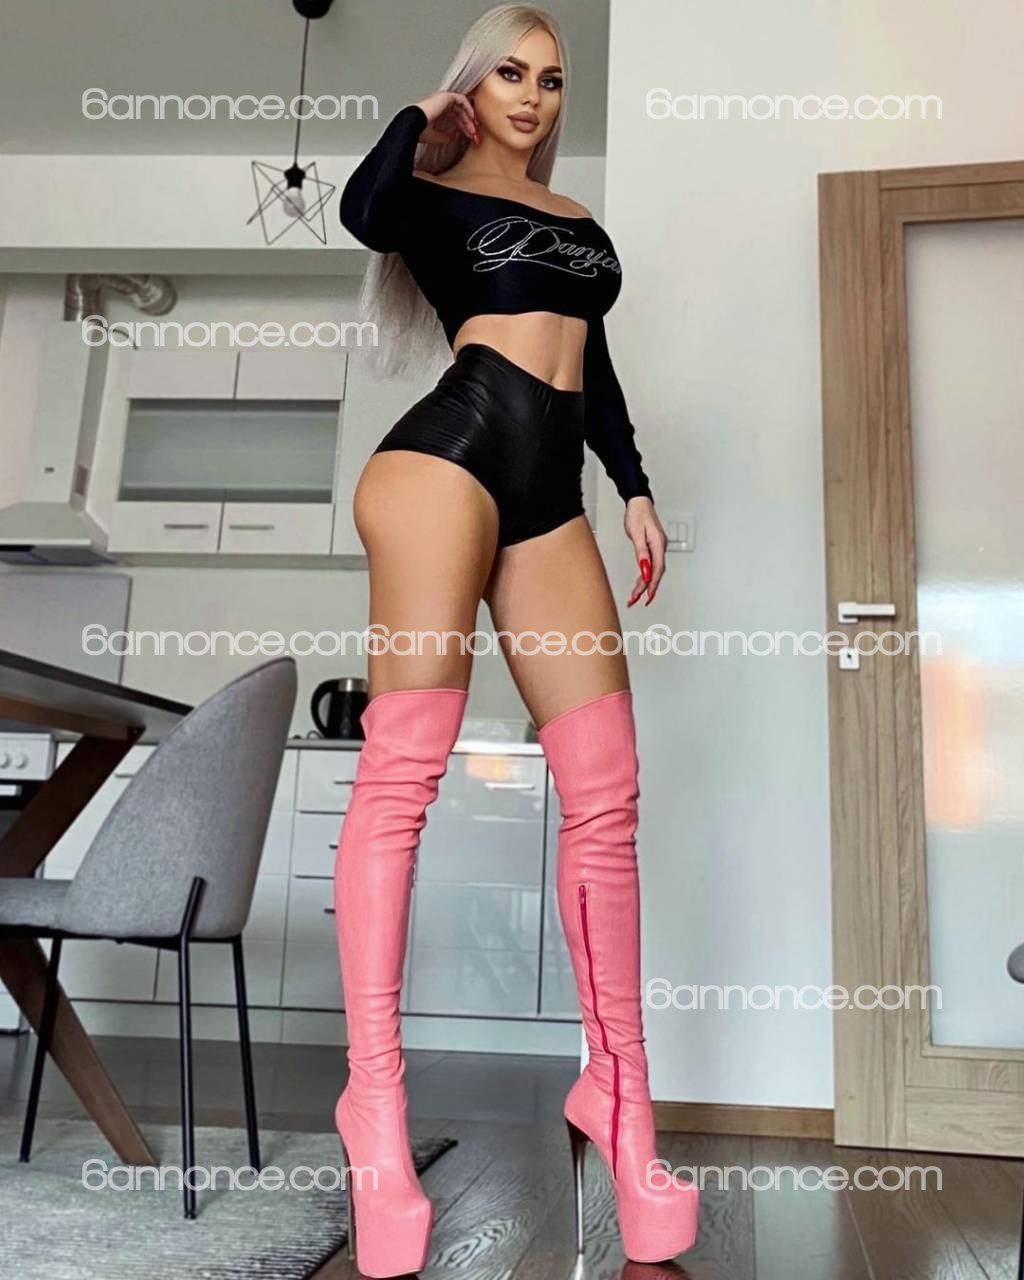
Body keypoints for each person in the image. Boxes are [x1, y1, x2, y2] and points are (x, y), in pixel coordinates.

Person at [331, 6, 698, 1276]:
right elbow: (363, 213)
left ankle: (621, 1092)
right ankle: (374, 1105)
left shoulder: (578, 219)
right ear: (472, 84)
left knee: (607, 790)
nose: (532, 94)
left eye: (549, 77)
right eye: (508, 71)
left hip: (550, 487)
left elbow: (592, 367)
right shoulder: (427, 193)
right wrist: (419, 120)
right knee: (402, 777)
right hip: (446, 457)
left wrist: (632, 483)